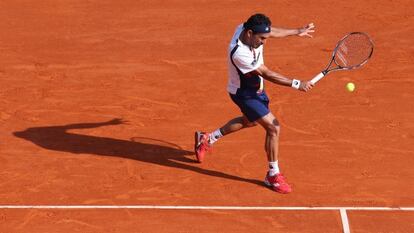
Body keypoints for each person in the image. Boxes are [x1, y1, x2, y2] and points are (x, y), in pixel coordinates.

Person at [194, 13, 315, 194]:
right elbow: (265, 72)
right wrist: (297, 83)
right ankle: (273, 176)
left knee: (249, 121)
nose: (265, 42)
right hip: (244, 94)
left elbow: (270, 31)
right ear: (249, 33)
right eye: (262, 38)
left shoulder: (249, 31)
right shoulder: (239, 52)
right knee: (273, 127)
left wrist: (297, 31)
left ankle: (207, 138)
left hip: (256, 89)